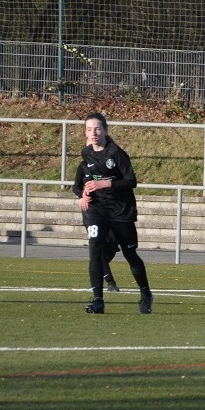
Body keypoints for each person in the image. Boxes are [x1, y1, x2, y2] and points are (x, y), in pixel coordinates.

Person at [72, 112, 153, 314]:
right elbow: (81, 183)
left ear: (105, 131)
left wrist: (105, 183)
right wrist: (83, 194)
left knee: (129, 253)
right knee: (95, 249)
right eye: (89, 129)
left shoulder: (116, 153)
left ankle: (145, 293)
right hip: (97, 209)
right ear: (85, 133)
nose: (93, 133)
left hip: (120, 210)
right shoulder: (86, 154)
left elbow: (131, 181)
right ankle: (98, 300)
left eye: (97, 128)